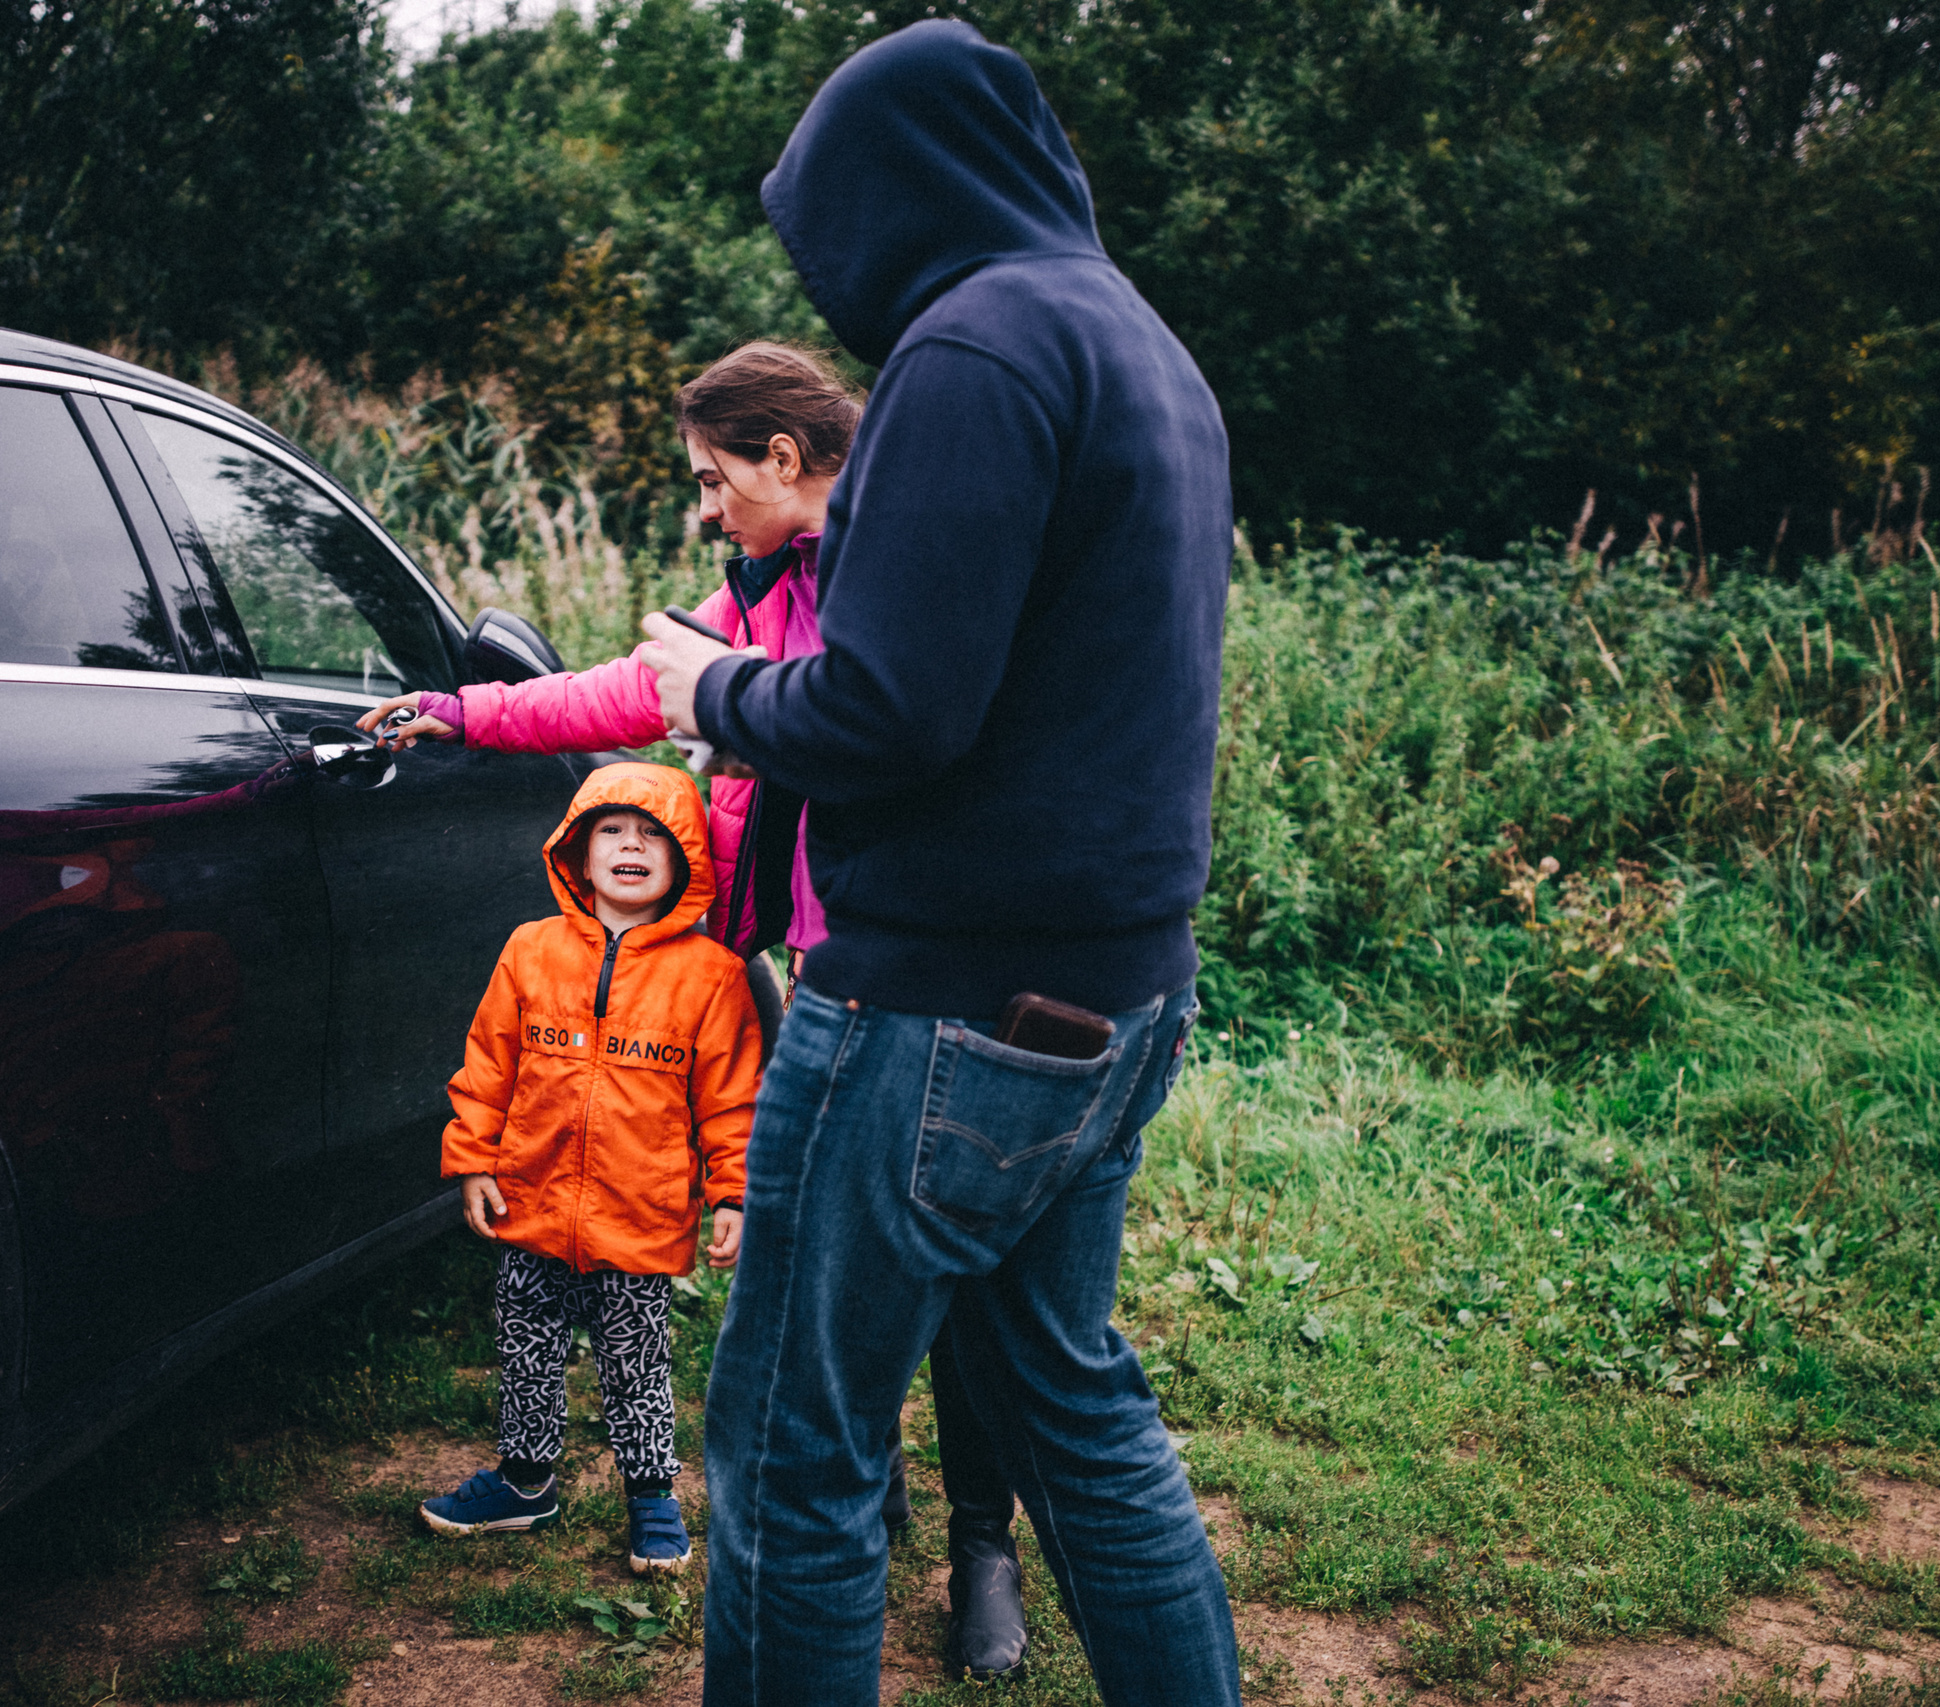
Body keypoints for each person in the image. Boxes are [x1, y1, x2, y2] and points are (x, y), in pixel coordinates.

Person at [637, 20, 1243, 1707]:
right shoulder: (1143, 348)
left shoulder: (971, 350)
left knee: (793, 1448)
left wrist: (717, 690)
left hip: (941, 1007)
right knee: (1078, 1405)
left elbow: (894, 705)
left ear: (888, 197)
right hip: (1122, 990)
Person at [362, 343, 1040, 1676]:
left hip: (937, 978)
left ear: (783, 459)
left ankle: (983, 1547)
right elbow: (622, 693)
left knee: (957, 1275)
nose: (706, 506)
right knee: (838, 1264)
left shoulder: (905, 576)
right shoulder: (764, 593)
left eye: (712, 478)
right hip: (817, 979)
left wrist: (754, 721)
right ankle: (876, 1487)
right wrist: (466, 711)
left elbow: (912, 743)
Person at [416, 763, 763, 1577]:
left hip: (636, 1218)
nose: (631, 846)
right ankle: (525, 1479)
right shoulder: (529, 950)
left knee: (635, 1359)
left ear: (687, 861)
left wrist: (735, 1193)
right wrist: (472, 1157)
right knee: (527, 1347)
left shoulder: (711, 976)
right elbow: (487, 1063)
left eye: (653, 835)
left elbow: (731, 1098)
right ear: (575, 850)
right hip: (529, 1206)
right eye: (611, 830)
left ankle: (651, 1495)